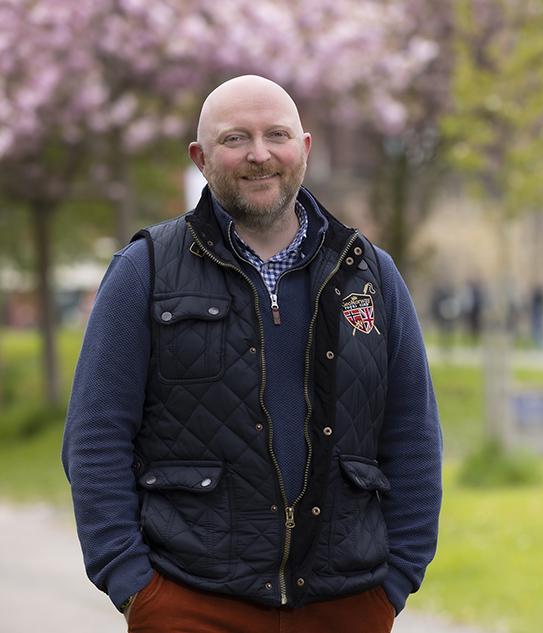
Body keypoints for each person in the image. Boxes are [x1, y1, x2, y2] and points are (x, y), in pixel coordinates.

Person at [62, 75, 442, 633]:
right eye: (235, 138)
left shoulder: (370, 273)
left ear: (304, 149)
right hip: (191, 603)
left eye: (277, 135)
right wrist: (134, 586)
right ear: (201, 157)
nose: (259, 154)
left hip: (348, 605)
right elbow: (95, 437)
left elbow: (413, 435)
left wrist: (396, 581)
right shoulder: (144, 271)